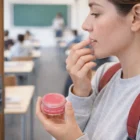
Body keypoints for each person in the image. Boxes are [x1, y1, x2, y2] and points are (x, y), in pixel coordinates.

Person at [36, 0, 140, 140]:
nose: (85, 25)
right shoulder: (104, 75)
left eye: (95, 13)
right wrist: (81, 93)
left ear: (135, 17)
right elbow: (64, 133)